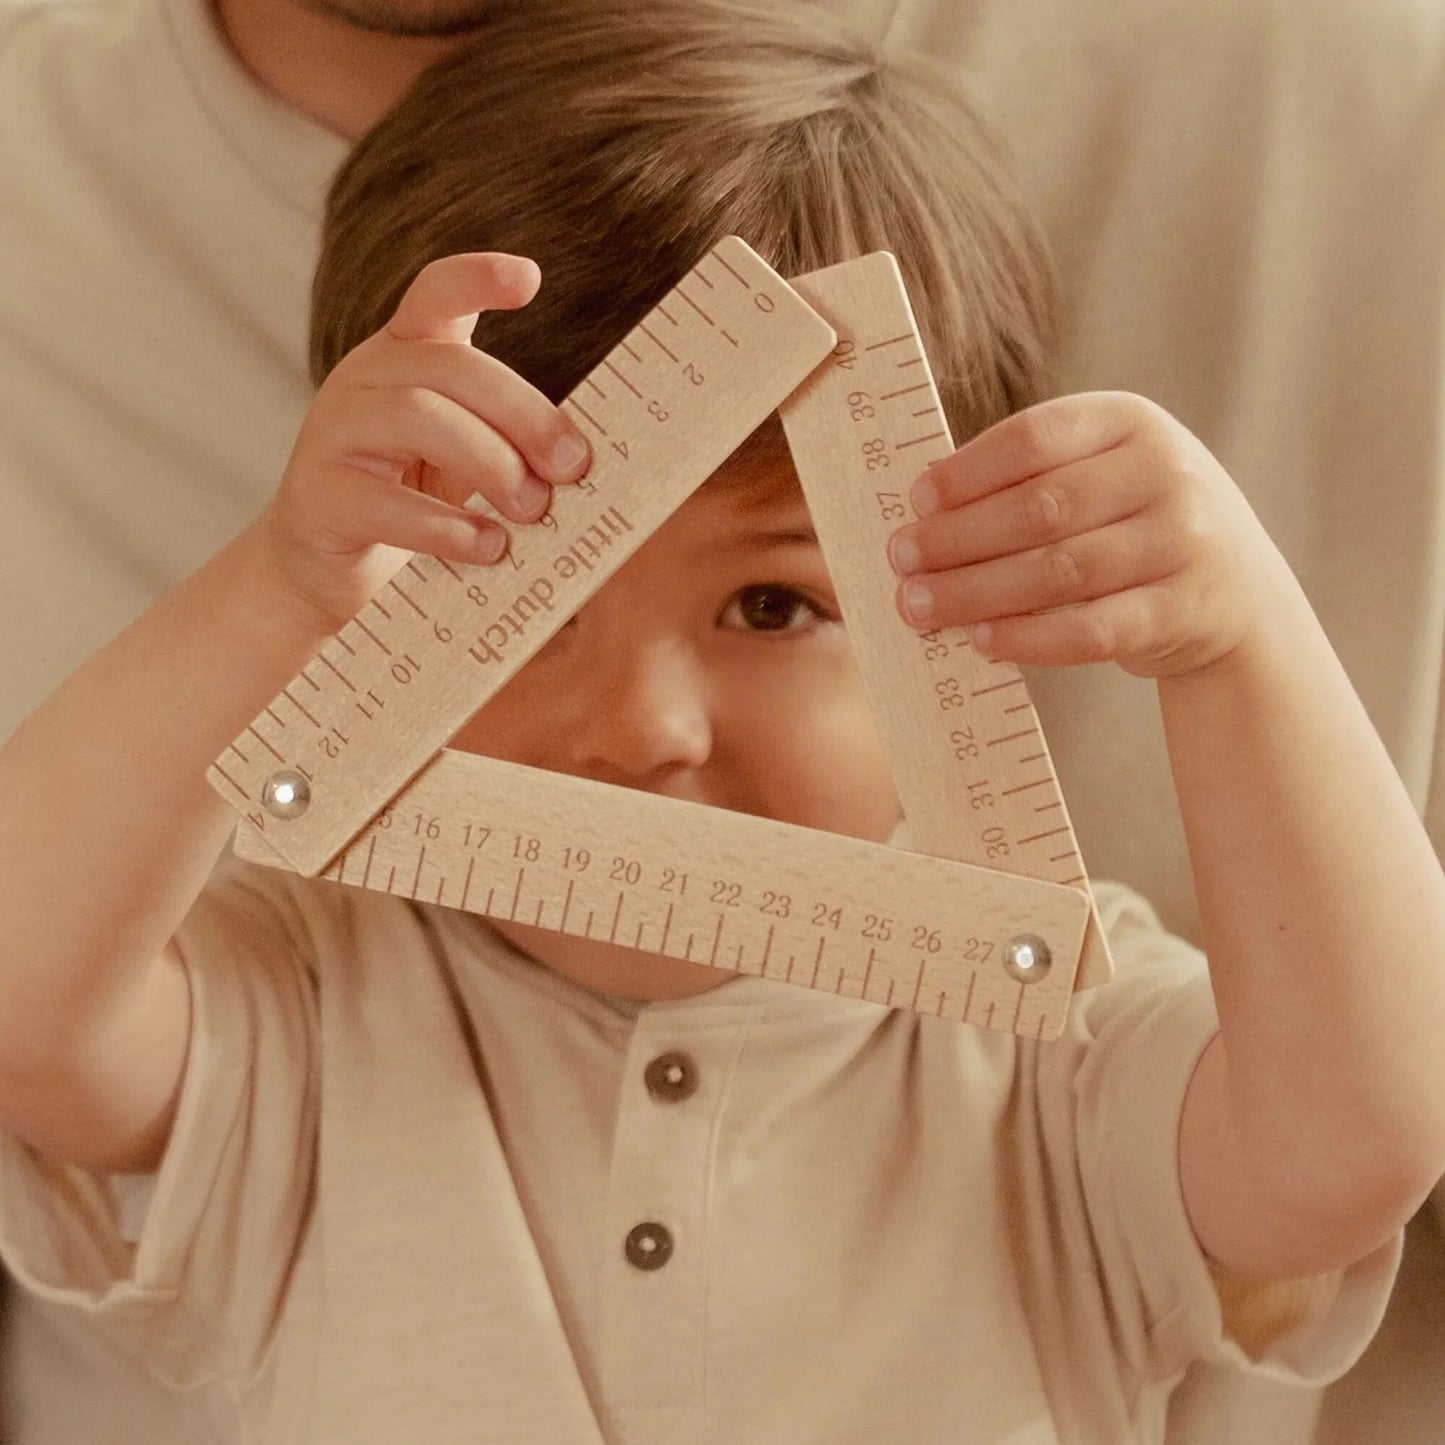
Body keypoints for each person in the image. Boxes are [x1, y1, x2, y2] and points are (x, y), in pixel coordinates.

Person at [1, 3, 1442, 1441]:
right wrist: (277, 589)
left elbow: (1358, 1143)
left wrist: (1236, 647)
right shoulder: (306, 1009)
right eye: (522, 605)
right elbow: (26, 1008)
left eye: (769, 607)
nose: (645, 727)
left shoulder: (1055, 1038)